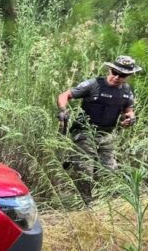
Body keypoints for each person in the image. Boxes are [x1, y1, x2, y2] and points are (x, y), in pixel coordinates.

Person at [57, 54, 141, 201]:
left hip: (106, 134)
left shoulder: (127, 91)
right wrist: (63, 110)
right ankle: (85, 202)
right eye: (114, 72)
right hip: (84, 131)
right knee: (85, 167)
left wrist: (130, 118)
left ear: (129, 76)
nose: (116, 77)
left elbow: (128, 109)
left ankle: (105, 201)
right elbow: (65, 95)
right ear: (110, 69)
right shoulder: (93, 84)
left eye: (122, 75)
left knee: (109, 170)